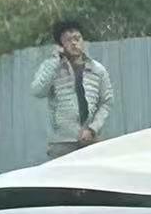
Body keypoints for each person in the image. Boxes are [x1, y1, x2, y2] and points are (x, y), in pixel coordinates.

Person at [31, 20, 114, 158]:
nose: (74, 43)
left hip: (90, 140)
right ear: (61, 45)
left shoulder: (97, 69)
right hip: (62, 142)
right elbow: (37, 91)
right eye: (68, 40)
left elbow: (107, 102)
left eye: (77, 38)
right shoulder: (52, 66)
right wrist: (55, 62)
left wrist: (93, 129)